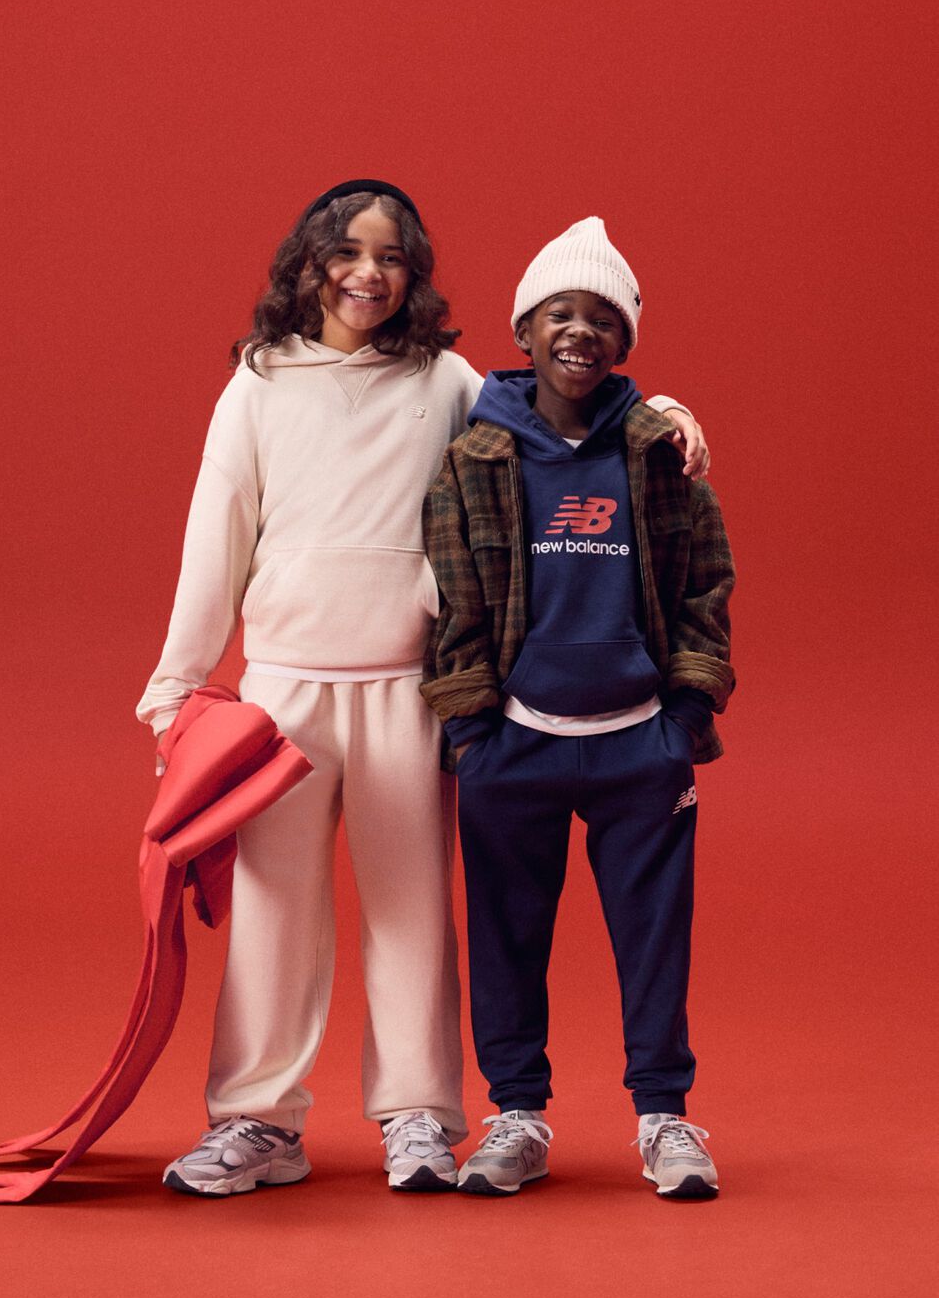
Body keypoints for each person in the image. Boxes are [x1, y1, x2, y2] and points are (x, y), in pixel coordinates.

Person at [137, 186, 709, 1197]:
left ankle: (417, 1116)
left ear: (415, 273)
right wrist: (178, 690)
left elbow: (563, 406)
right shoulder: (259, 384)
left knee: (412, 911)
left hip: (409, 688)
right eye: (347, 252)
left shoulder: (444, 380)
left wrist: (662, 409)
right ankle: (259, 1121)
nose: (369, 273)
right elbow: (212, 536)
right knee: (275, 910)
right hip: (281, 693)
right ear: (307, 261)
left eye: (392, 256)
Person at [421, 218, 735, 1199]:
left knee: (653, 937)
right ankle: (514, 1115)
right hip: (514, 743)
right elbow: (454, 598)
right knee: (505, 937)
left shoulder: (658, 456)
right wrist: (472, 732)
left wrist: (683, 716)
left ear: (622, 342)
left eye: (602, 318)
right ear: (526, 330)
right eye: (561, 312)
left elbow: (705, 589)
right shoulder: (476, 458)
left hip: (637, 744)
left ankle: (665, 1121)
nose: (579, 333)